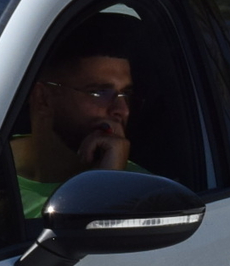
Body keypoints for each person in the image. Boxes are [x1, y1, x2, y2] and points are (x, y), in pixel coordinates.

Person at [13, 18, 138, 219]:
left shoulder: (141, 190)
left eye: (126, 94)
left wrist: (107, 180)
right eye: (99, 93)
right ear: (43, 99)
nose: (122, 110)